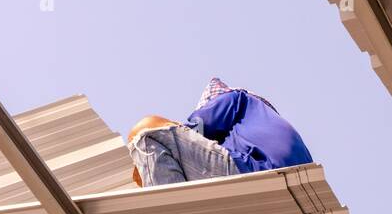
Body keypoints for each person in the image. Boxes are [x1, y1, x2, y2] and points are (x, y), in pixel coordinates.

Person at [127, 77, 313, 187]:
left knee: (146, 133)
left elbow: (196, 128)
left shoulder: (235, 98)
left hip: (254, 172)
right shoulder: (260, 123)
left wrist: (145, 170)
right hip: (291, 192)